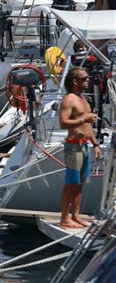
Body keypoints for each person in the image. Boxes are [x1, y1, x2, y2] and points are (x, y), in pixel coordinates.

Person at [59, 67, 101, 228]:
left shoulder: (84, 100)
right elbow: (63, 123)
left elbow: (88, 127)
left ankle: (75, 215)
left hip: (85, 146)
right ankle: (64, 217)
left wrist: (95, 144)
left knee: (80, 184)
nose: (87, 80)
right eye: (84, 78)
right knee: (71, 183)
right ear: (75, 81)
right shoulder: (69, 99)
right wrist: (83, 119)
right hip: (73, 146)